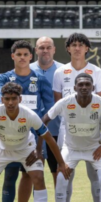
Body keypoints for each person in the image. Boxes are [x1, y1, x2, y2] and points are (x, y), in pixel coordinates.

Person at [43, 74, 101, 202]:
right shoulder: (65, 102)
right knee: (61, 180)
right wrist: (40, 144)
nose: (84, 87)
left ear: (93, 87)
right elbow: (45, 120)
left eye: (87, 84)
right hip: (71, 149)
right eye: (80, 84)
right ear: (75, 87)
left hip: (95, 149)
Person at [0, 40, 53, 202]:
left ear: (31, 57)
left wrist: (39, 141)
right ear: (13, 56)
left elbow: (48, 111)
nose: (22, 58)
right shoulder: (4, 78)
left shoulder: (40, 80)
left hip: (34, 137)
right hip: (9, 136)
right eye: (18, 54)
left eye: (25, 54)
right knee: (10, 175)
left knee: (32, 175)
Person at [53, 33, 101, 202]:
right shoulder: (60, 72)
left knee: (96, 176)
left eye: (81, 45)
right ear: (68, 48)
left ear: (87, 49)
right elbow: (57, 102)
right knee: (67, 173)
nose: (77, 48)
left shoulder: (96, 72)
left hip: (92, 131)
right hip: (67, 130)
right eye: (73, 45)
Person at [30, 37, 62, 186]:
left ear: (54, 49)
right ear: (36, 50)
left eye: (48, 47)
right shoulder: (27, 70)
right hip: (32, 131)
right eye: (41, 48)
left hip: (56, 129)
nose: (45, 50)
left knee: (58, 173)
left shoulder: (63, 70)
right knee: (35, 174)